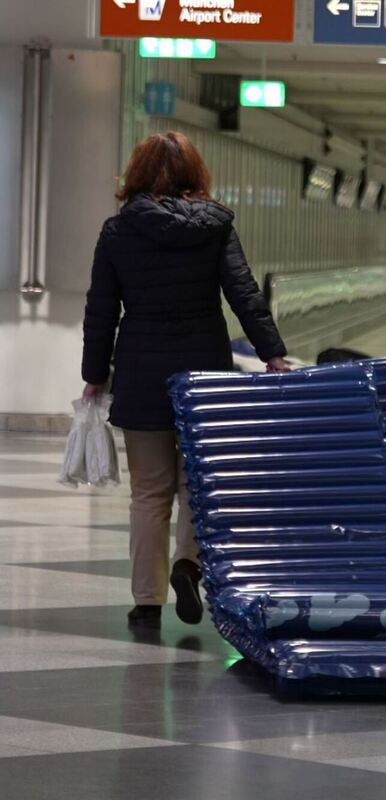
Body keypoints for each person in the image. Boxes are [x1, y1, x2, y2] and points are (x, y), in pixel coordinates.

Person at [81, 131, 289, 630]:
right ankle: (187, 564)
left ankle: (147, 601)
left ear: (135, 174)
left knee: (149, 491)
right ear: (196, 173)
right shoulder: (216, 228)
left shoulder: (118, 231)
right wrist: (273, 354)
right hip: (204, 371)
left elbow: (101, 310)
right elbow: (244, 293)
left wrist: (94, 375)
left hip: (141, 370)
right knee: (197, 483)